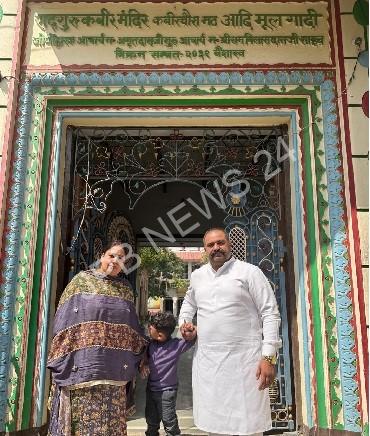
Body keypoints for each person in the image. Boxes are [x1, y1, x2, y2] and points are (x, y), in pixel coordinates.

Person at [179, 228, 281, 436]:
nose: (216, 247)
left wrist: (269, 358)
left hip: (245, 364)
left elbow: (270, 313)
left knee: (247, 426)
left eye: (220, 242)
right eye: (211, 245)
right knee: (213, 426)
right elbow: (189, 303)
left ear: (229, 244)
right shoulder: (198, 276)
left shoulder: (249, 272)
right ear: (205, 249)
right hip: (209, 365)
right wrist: (185, 324)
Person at [47, 240, 148, 436]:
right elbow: (65, 318)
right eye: (112, 255)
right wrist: (62, 355)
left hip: (114, 370)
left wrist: (144, 351)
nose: (115, 261)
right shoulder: (81, 281)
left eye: (121, 258)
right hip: (83, 367)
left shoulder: (125, 289)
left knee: (110, 424)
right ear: (102, 256)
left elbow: (131, 327)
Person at [142, 311, 196, 436]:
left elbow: (193, 339)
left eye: (151, 327)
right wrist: (144, 363)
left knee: (169, 421)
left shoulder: (176, 345)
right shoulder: (150, 343)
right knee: (151, 421)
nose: (148, 328)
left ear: (160, 335)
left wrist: (190, 330)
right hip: (151, 390)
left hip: (167, 392)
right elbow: (144, 355)